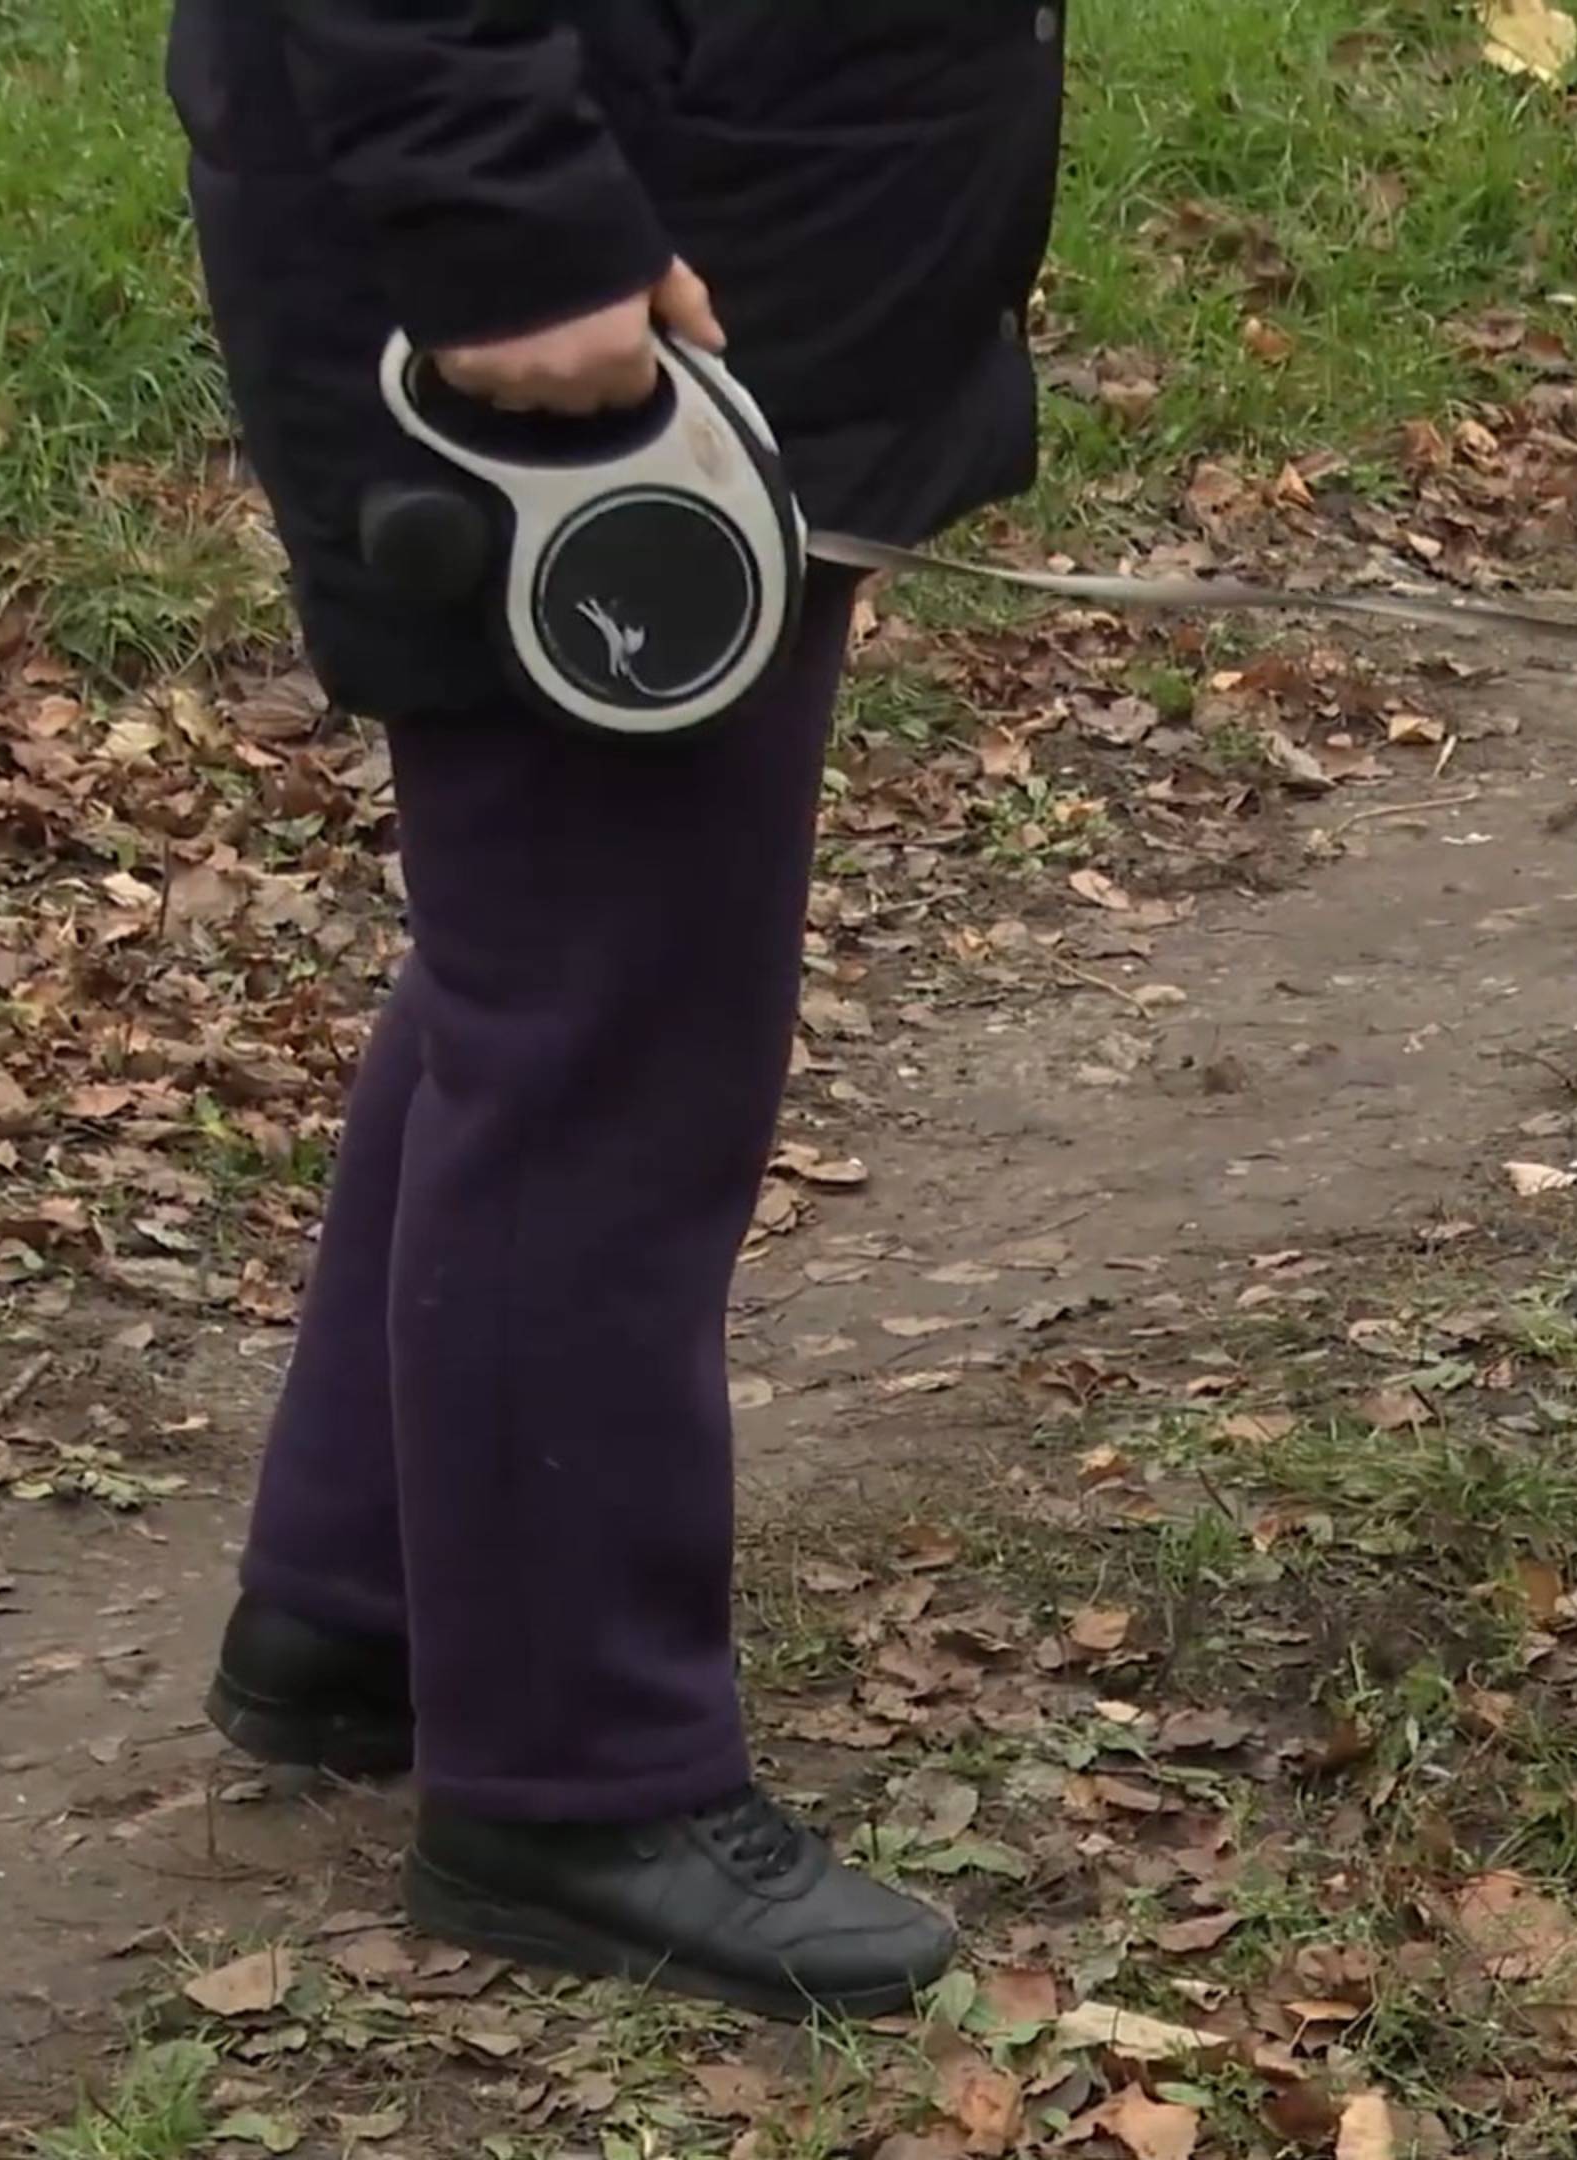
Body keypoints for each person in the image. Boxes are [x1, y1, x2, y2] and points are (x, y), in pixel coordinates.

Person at [164, 2, 1067, 2019]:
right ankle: (577, 1783)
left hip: (733, 202)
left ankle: (368, 1597)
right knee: (609, 1036)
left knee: (560, 963)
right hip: (579, 251)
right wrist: (508, 216)